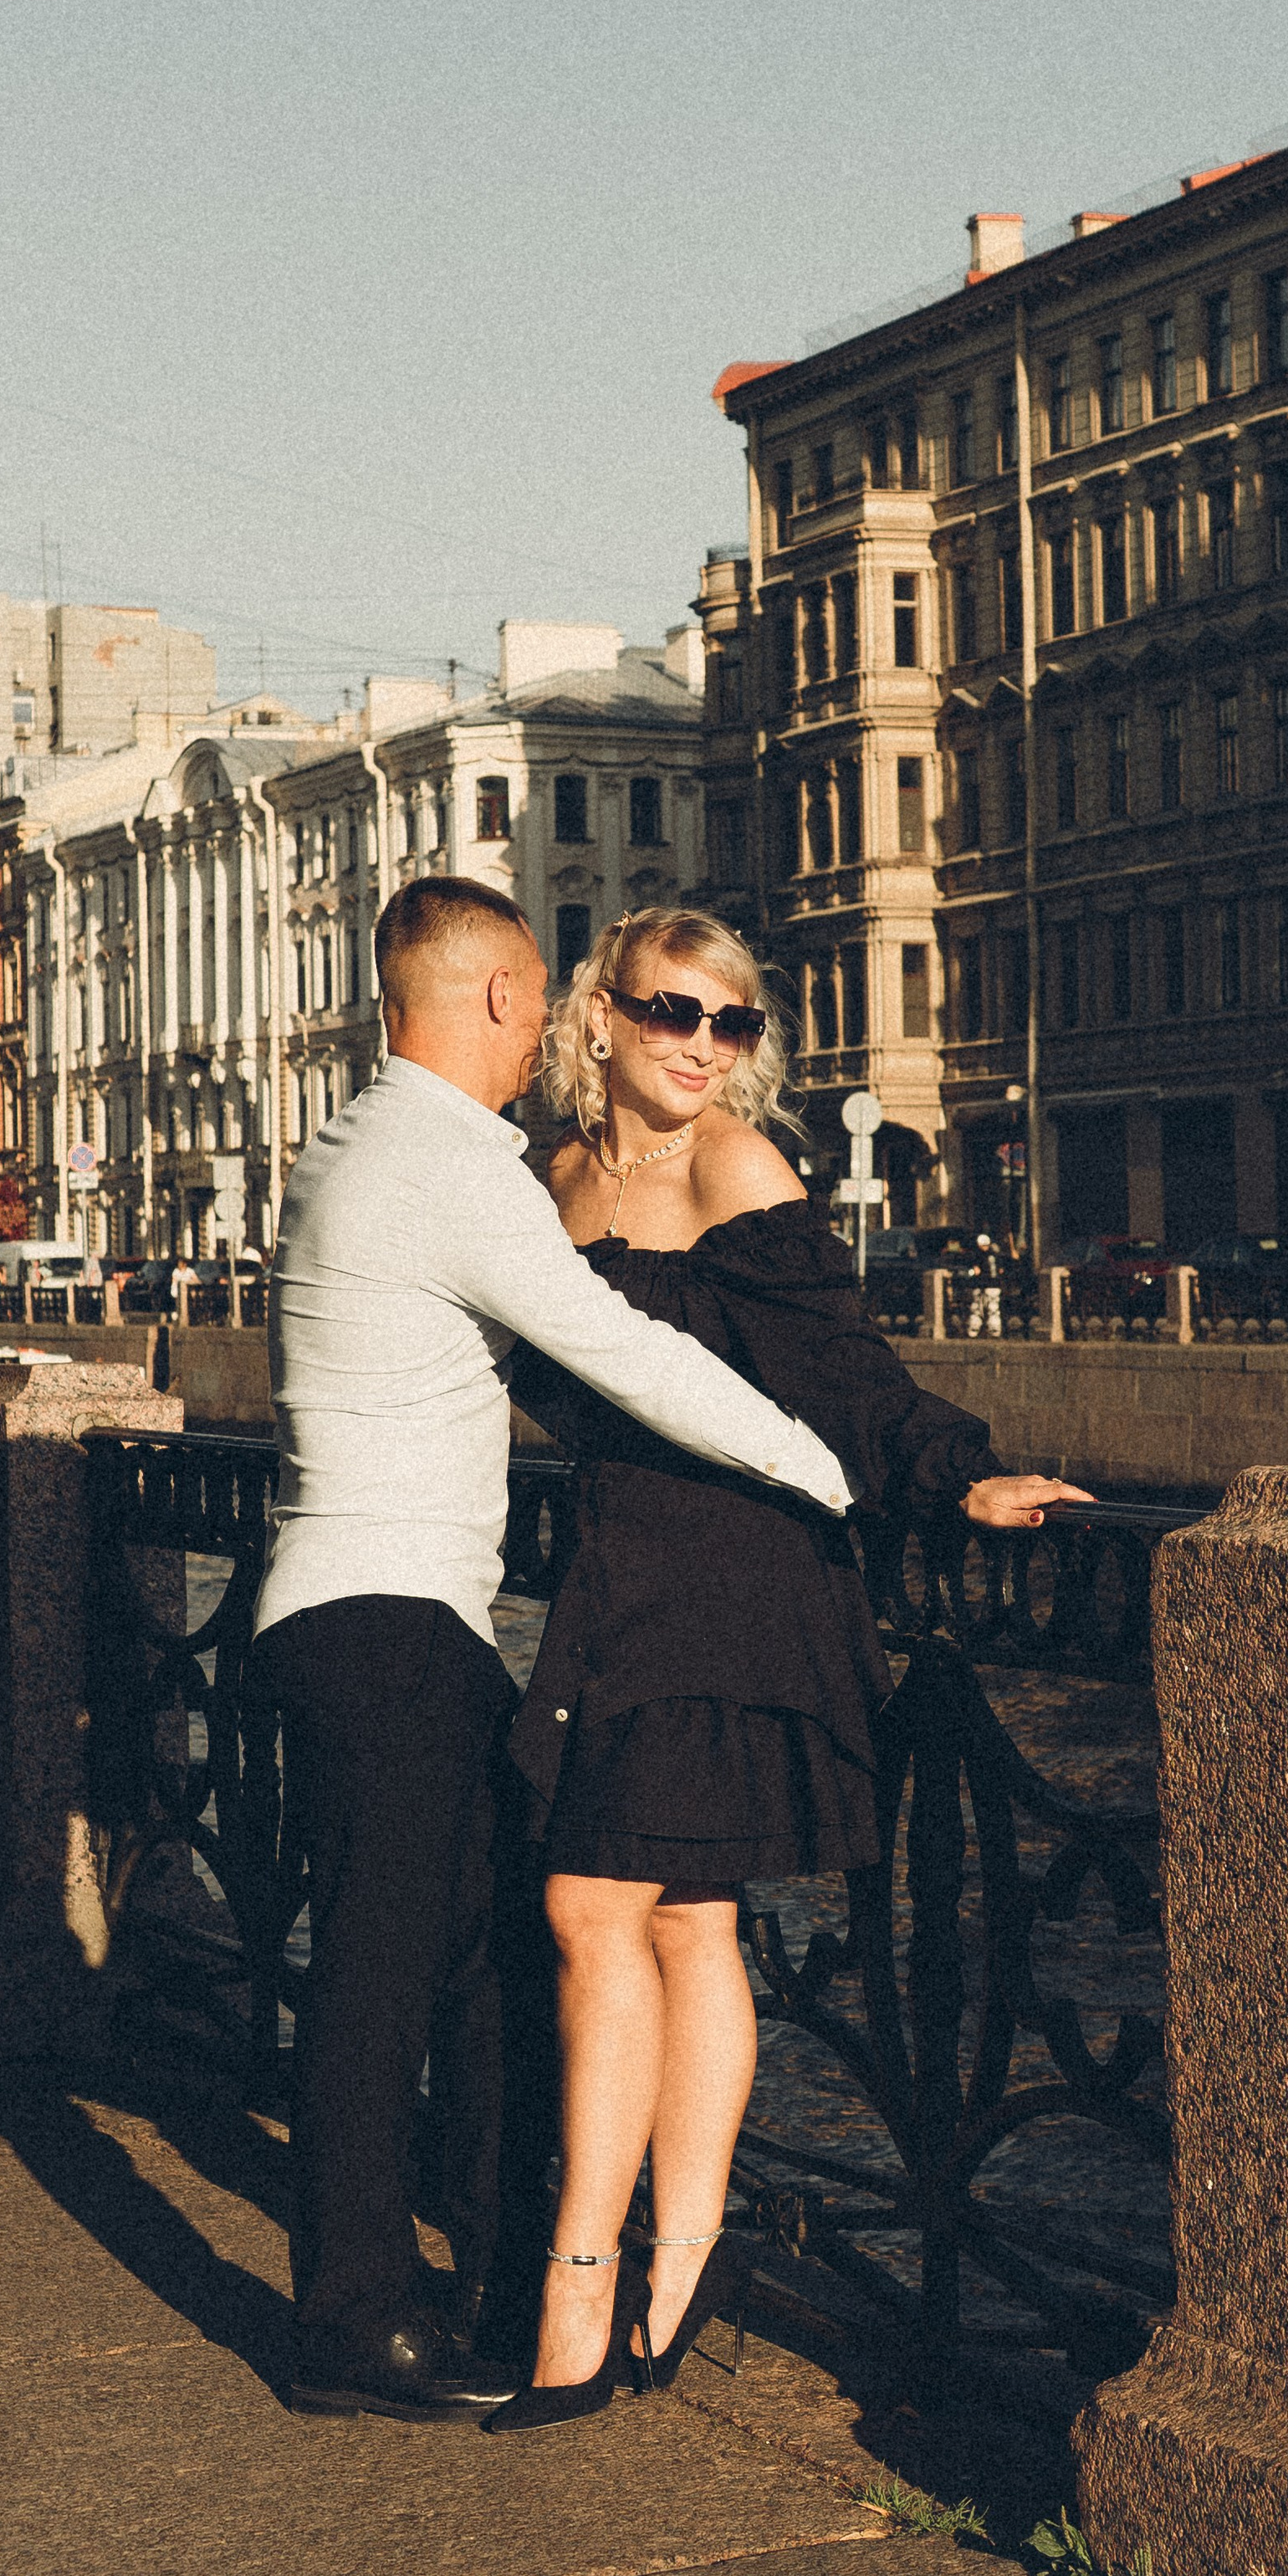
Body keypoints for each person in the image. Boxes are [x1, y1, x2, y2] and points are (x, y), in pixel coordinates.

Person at [249, 878, 855, 2425]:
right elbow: (623, 1353)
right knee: (392, 1982)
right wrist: (824, 1471)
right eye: (665, 1009)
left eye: (729, 1018)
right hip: (392, 1618)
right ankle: (358, 2325)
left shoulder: (348, 1142)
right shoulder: (459, 1167)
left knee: (484, 1950)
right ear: (522, 1000)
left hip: (352, 1610)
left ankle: (507, 2278)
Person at [484, 907, 1087, 2431]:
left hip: (745, 1584)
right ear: (599, 1020)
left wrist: (960, 1477)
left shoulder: (737, 1171)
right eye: (674, 1013)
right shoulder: (551, 1180)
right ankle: (673, 2267)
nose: (702, 1045)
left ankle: (596, 2267)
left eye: (732, 1023)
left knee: (595, 1904)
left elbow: (843, 1376)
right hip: (622, 1579)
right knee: (685, 1920)